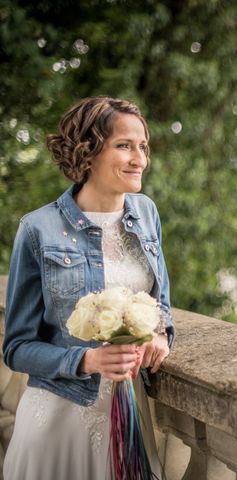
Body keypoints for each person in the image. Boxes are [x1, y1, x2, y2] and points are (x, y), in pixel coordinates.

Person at [2, 96, 175, 479]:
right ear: (88, 151)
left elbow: (160, 302)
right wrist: (87, 360)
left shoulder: (146, 213)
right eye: (124, 146)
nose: (140, 159)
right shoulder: (37, 229)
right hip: (59, 419)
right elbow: (17, 348)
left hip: (129, 415)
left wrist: (160, 334)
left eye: (142, 146)